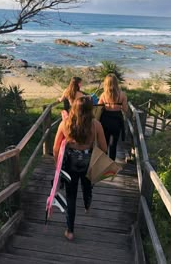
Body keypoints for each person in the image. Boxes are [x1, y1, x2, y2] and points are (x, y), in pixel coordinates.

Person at [53, 96, 107, 241]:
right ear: (90, 110)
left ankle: (70, 231)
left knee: (71, 196)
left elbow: (56, 148)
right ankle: (87, 205)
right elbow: (104, 147)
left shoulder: (65, 124)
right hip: (88, 161)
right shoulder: (95, 125)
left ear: (74, 109)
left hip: (70, 163)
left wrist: (57, 166)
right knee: (87, 185)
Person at [98, 74, 128, 161]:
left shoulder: (103, 95)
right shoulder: (122, 95)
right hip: (117, 120)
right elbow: (125, 109)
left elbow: (99, 108)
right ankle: (111, 162)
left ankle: (103, 162)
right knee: (114, 143)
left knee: (104, 142)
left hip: (105, 119)